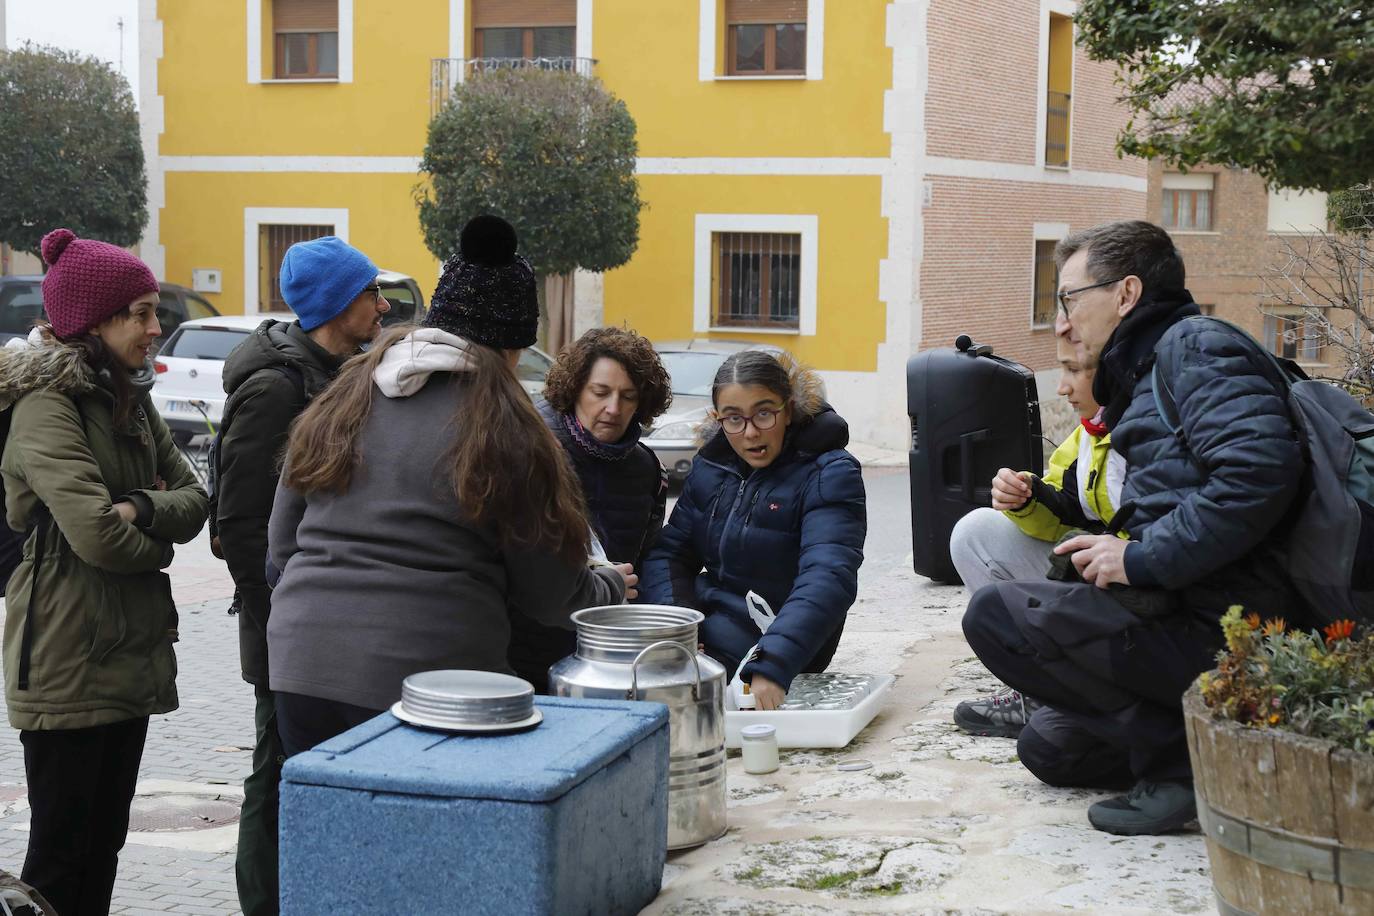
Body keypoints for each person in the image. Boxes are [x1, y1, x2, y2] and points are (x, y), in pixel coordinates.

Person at [961, 220, 1301, 835]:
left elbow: (1258, 473)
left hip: (1232, 626)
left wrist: (1137, 558)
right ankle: (1198, 748)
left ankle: (1183, 773)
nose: (1063, 322)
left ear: (1126, 294)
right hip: (1184, 605)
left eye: (1069, 299)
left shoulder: (1193, 348)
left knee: (996, 614)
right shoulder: (1150, 368)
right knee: (1050, 749)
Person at [265, 215, 634, 756]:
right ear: (512, 349)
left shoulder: (348, 391)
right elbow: (549, 590)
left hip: (300, 665)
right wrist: (609, 588)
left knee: (325, 836)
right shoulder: (507, 426)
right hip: (432, 684)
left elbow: (280, 545)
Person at [0, 229, 208, 914]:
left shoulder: (129, 397)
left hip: (127, 652)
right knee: (59, 857)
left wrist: (139, 507)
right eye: (142, 313)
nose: (157, 328)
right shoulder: (45, 406)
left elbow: (195, 500)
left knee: (104, 845)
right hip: (64, 655)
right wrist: (156, 539)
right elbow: (95, 536)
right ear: (96, 321)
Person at [216, 236, 390, 916]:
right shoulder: (275, 389)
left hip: (323, 622)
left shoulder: (339, 373)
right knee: (276, 776)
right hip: (283, 626)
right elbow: (240, 524)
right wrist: (279, 619)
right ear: (335, 304)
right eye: (368, 293)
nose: (381, 305)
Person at [640, 350, 866, 710]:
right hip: (705, 622)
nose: (750, 432)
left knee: (670, 701)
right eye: (734, 418)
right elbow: (671, 553)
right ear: (718, 419)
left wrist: (773, 661)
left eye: (764, 413)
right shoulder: (711, 467)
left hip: (779, 637)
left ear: (788, 410)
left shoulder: (830, 473)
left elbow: (829, 575)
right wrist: (678, 626)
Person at [950, 332, 1125, 743]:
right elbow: (1063, 509)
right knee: (974, 532)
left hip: (1139, 584)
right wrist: (1025, 496)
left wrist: (1130, 553)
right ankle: (1036, 690)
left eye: (1073, 371)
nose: (1061, 386)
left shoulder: (1151, 428)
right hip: (1100, 572)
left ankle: (1074, 686)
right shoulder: (1090, 431)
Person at [508, 327, 672, 691]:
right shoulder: (528, 444)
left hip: (604, 657)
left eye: (628, 396)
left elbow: (647, 559)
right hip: (521, 655)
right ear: (575, 389)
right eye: (600, 392)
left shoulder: (648, 470)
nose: (613, 408)